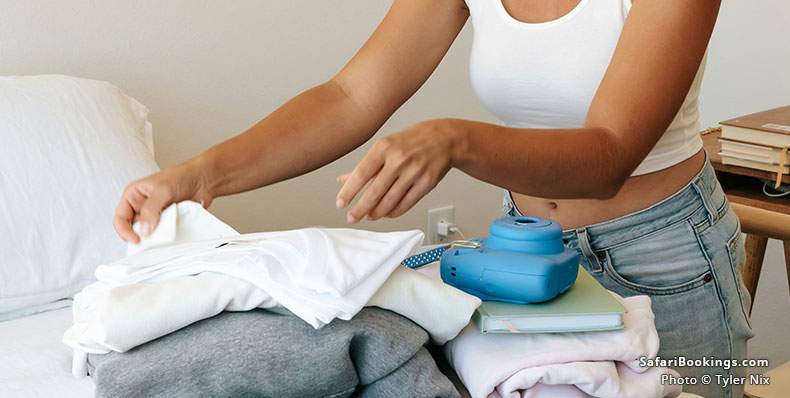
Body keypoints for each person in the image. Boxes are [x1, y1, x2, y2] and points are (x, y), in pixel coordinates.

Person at [114, 1, 753, 396]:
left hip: (667, 258)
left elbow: (609, 155)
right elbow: (350, 96)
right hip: (526, 256)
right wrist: (197, 177)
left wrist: (456, 140)